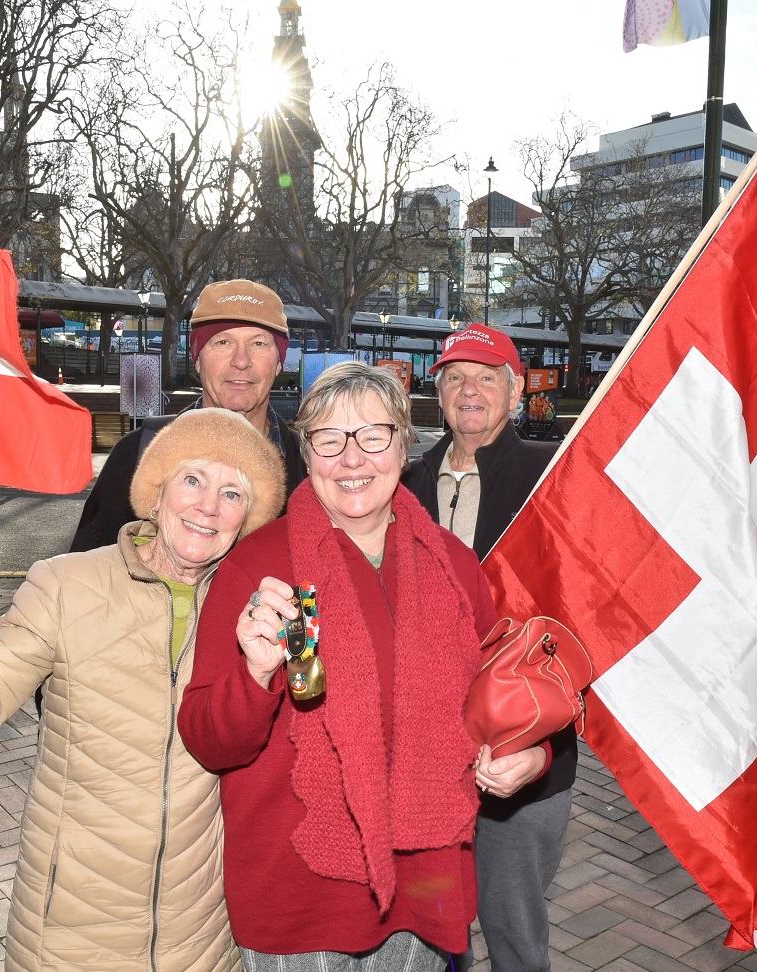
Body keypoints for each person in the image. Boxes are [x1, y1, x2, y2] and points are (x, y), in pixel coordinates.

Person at [179, 362, 535, 971]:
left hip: (425, 889)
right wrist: (256, 676)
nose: (352, 459)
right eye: (328, 438)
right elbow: (210, 740)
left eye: (373, 435)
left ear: (403, 446)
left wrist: (529, 752)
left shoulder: (452, 564)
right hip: (300, 902)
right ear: (305, 451)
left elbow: (500, 701)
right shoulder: (258, 567)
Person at [0, 408, 286, 972]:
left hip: (202, 937)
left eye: (233, 494)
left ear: (247, 519)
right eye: (192, 479)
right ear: (155, 494)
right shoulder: (65, 583)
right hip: (71, 931)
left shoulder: (256, 609)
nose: (208, 506)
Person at [404, 322, 573, 972]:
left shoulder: (552, 481)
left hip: (522, 760)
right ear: (437, 391)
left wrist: (544, 749)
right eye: (454, 378)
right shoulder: (405, 482)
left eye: (485, 377)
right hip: (424, 758)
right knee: (433, 932)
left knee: (514, 939)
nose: (468, 391)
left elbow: (582, 627)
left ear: (514, 390)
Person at [70, 278, 307, 553]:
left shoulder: (309, 465)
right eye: (223, 342)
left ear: (279, 362)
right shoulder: (137, 455)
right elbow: (87, 574)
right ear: (196, 358)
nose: (241, 361)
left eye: (258, 344)